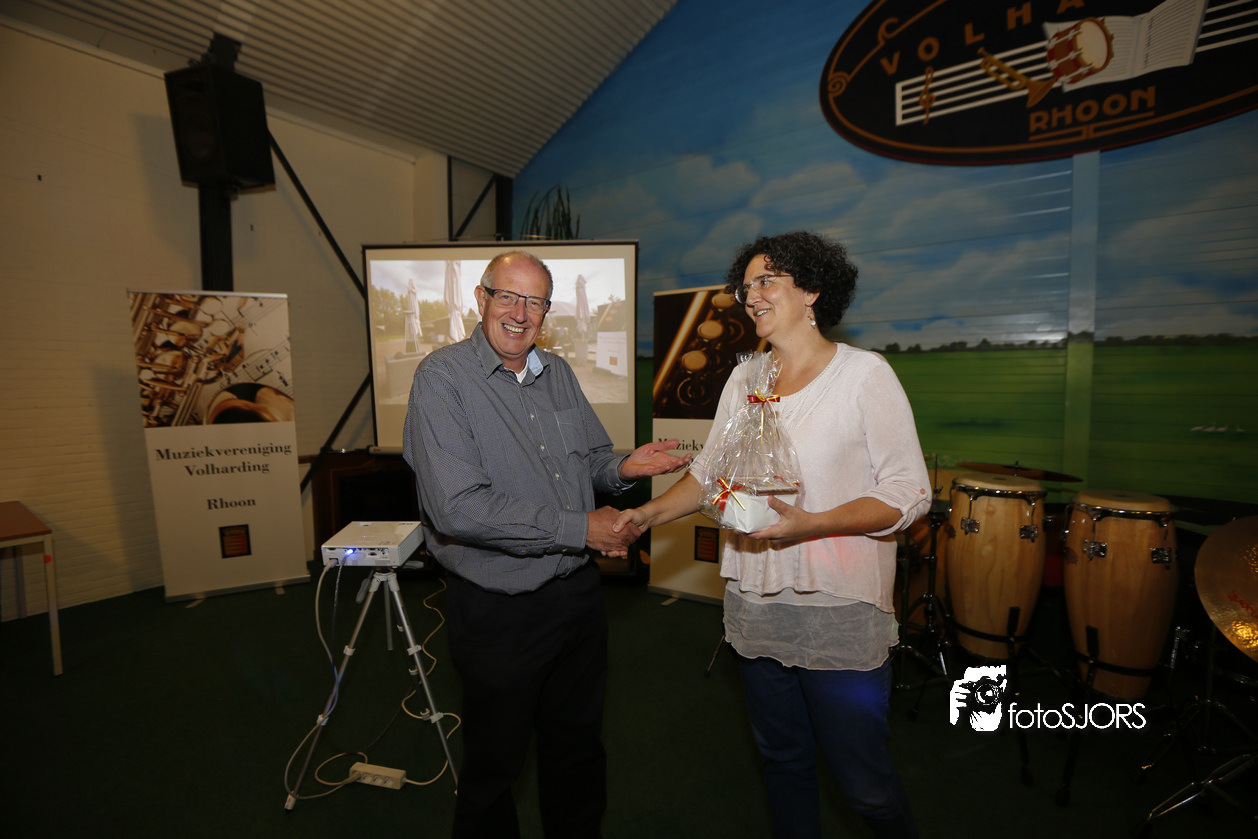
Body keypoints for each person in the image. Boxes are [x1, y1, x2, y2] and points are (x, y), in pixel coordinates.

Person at [614, 232, 931, 839]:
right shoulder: (747, 379)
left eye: (767, 281)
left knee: (863, 783)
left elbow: (909, 492)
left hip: (836, 607)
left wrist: (811, 523)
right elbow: (711, 473)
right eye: (746, 286)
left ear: (811, 291)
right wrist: (644, 516)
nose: (751, 296)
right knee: (783, 762)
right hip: (756, 603)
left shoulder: (864, 375)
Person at [402, 250, 690, 839]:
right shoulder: (442, 377)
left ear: (546, 311)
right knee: (495, 768)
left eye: (534, 301)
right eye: (508, 296)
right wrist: (583, 529)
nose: (520, 312)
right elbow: (458, 507)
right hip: (500, 606)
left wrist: (625, 468)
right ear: (480, 299)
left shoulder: (556, 371)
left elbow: (589, 462)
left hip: (577, 596)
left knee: (577, 749)